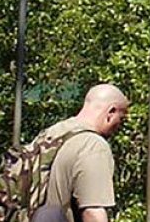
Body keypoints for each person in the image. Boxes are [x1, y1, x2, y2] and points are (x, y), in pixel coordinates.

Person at [36, 84, 129, 222]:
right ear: (111, 112)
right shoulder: (93, 145)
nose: (119, 126)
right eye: (120, 119)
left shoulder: (52, 134)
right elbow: (93, 212)